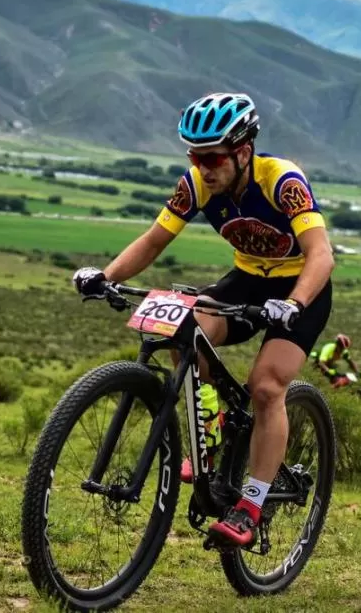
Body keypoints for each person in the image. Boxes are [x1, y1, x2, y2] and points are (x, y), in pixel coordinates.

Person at [72, 92, 335, 548]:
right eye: (195, 155)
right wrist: (106, 275)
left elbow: (321, 254)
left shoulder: (282, 181)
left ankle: (251, 505)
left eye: (212, 157)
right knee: (184, 331)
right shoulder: (196, 184)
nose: (203, 166)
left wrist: (293, 303)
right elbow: (154, 241)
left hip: (300, 290)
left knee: (267, 387)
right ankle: (209, 435)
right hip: (247, 281)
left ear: (243, 151)